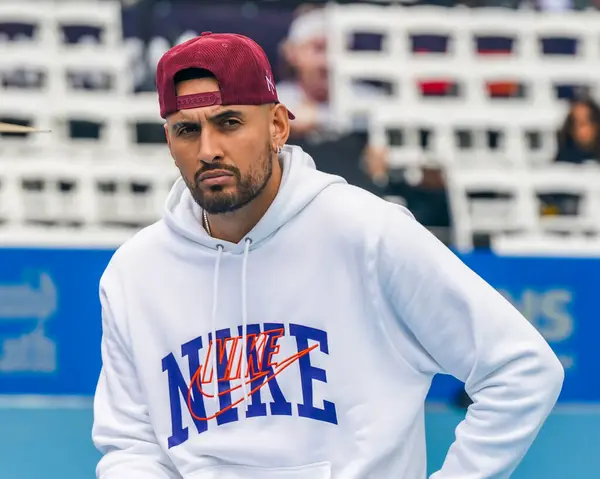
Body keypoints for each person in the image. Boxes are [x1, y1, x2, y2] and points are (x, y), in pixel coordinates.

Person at [92, 32, 564, 479]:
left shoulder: (368, 234)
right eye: (186, 130)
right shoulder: (135, 273)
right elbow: (132, 444)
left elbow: (522, 369)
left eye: (229, 122)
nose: (209, 149)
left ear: (277, 125)